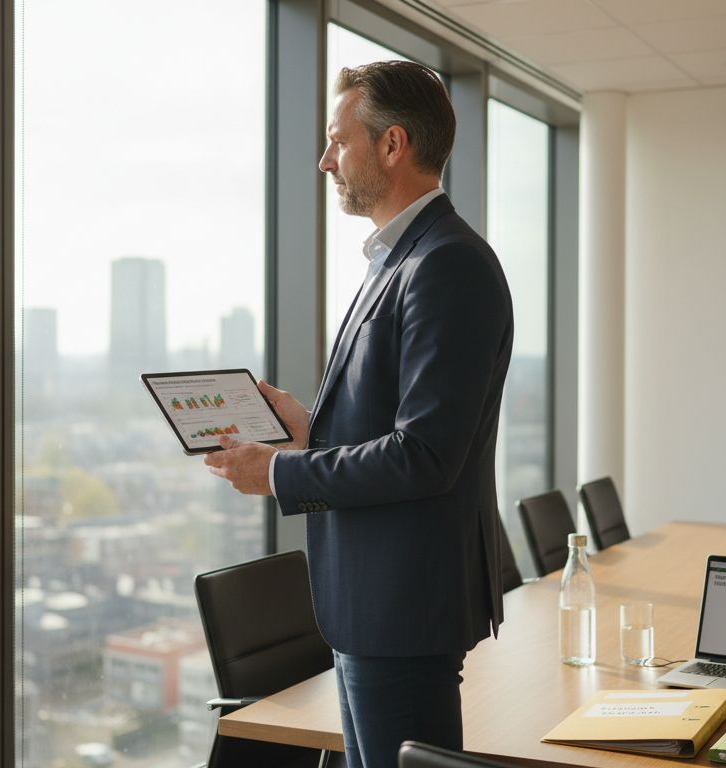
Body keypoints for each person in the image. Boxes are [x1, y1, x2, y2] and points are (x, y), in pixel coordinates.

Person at [205, 60, 513, 768]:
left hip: (401, 606)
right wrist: (307, 426)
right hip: (370, 603)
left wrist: (282, 473)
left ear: (392, 145)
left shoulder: (446, 264)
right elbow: (399, 430)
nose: (324, 161)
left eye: (338, 141)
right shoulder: (397, 260)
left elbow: (427, 454)